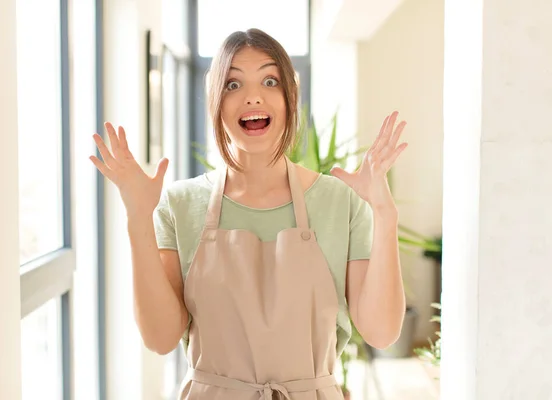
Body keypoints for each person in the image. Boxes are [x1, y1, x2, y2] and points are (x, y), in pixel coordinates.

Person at [91, 28, 407, 400]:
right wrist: (137, 218)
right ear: (215, 101)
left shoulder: (339, 201)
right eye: (232, 84)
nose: (253, 97)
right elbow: (159, 339)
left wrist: (385, 216)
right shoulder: (180, 205)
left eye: (270, 81)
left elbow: (382, 332)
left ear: (291, 97)